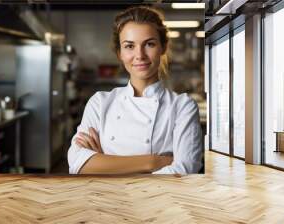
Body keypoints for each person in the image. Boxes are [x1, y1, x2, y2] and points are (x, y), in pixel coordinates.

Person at [67, 6, 203, 175]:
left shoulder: (182, 106)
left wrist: (104, 161)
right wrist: (153, 161)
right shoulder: (100, 102)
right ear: (120, 53)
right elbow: (77, 163)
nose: (140, 55)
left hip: (156, 201)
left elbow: (185, 170)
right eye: (129, 46)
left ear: (163, 47)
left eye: (150, 44)